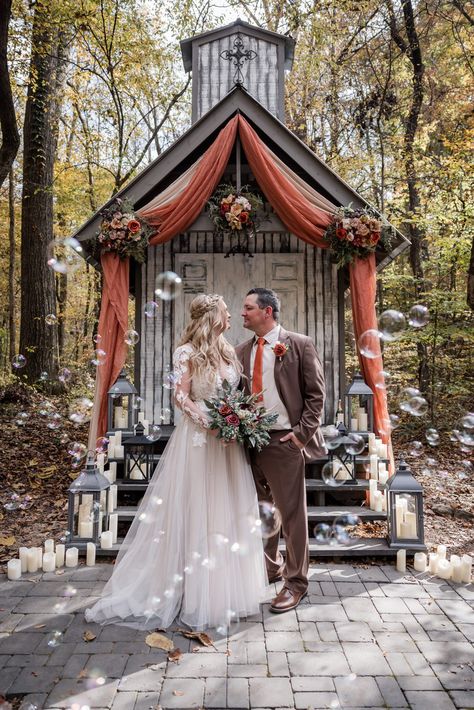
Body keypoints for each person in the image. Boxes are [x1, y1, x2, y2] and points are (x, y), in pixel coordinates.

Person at [85, 294, 267, 631]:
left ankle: (223, 590)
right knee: (196, 509)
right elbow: (180, 395)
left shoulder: (228, 350)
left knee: (226, 510)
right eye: (226, 311)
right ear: (212, 316)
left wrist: (235, 419)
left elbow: (234, 395)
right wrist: (208, 421)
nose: (231, 315)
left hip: (227, 444)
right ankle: (190, 591)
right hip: (198, 441)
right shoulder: (185, 352)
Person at [236, 288, 326, 613]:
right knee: (262, 511)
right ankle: (270, 567)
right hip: (249, 442)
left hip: (284, 442)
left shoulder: (299, 345)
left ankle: (296, 583)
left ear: (267, 312)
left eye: (248, 308)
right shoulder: (241, 350)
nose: (242, 313)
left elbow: (317, 395)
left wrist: (301, 436)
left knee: (291, 514)